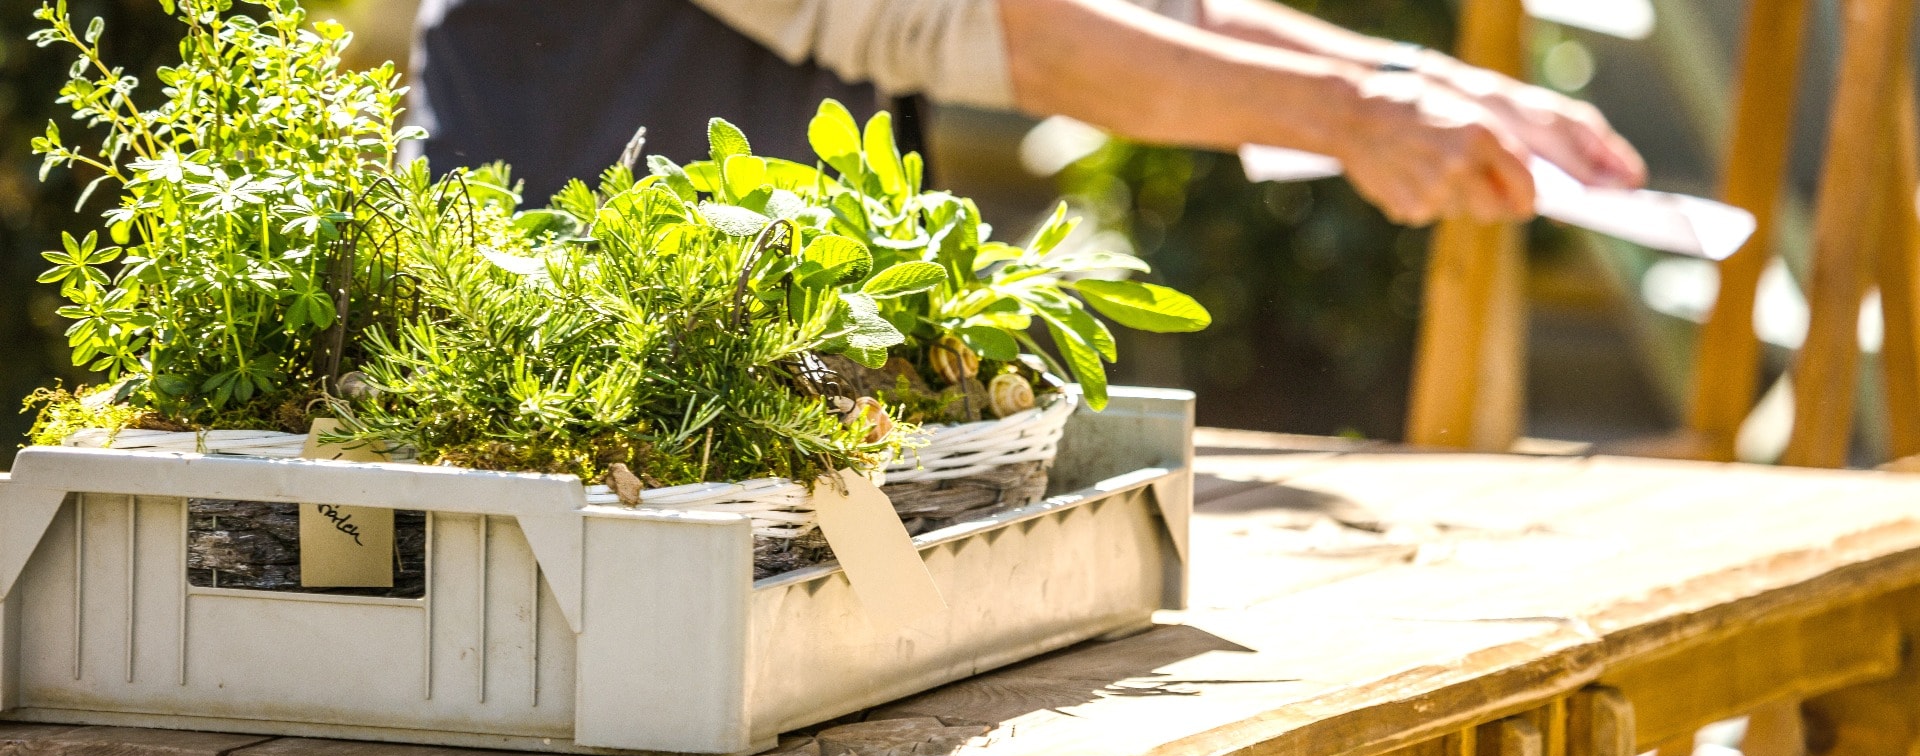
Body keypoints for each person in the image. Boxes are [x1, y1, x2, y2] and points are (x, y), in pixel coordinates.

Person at [411, 0, 1646, 226]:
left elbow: (1139, 7)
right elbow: (1000, 30)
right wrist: (1357, 115)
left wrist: (1424, 82)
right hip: (558, 346)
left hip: (754, 357)